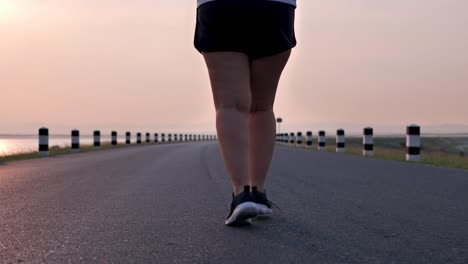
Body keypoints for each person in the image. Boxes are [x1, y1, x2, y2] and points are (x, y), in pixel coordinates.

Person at [194, 0, 297, 226]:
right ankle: (258, 192)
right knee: (262, 107)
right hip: (275, 8)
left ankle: (242, 194)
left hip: (221, 8)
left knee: (230, 104)